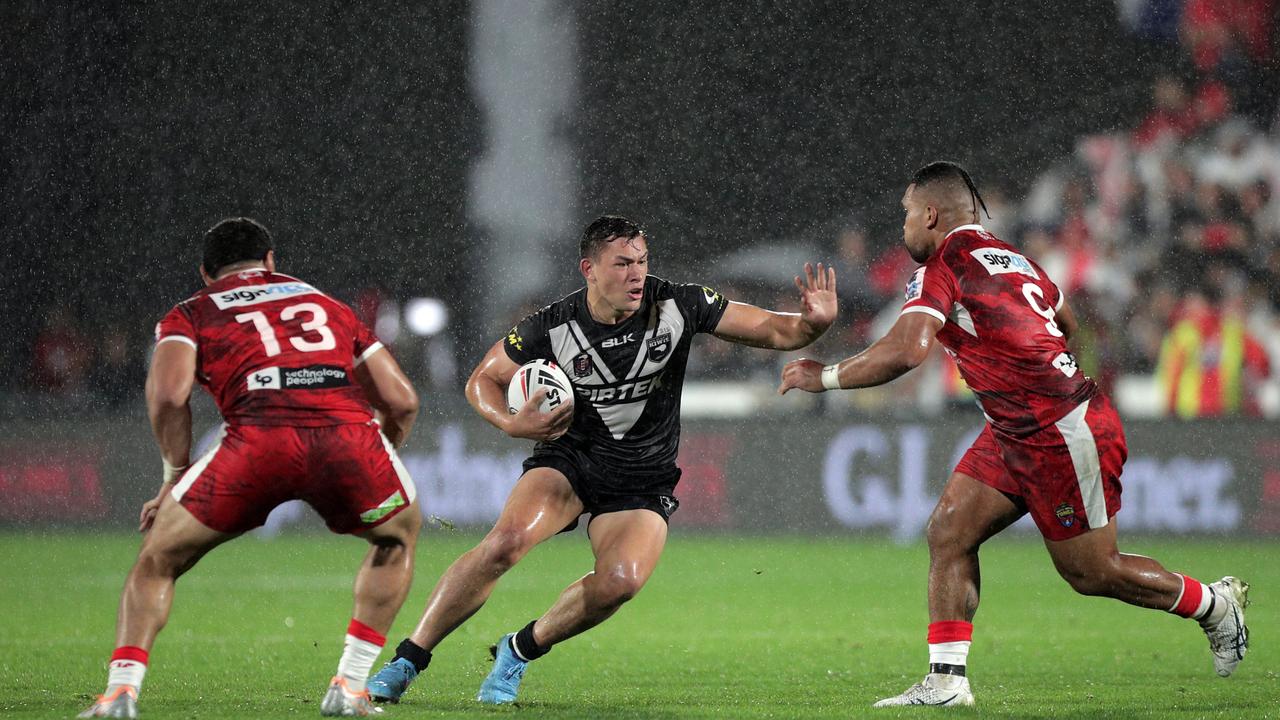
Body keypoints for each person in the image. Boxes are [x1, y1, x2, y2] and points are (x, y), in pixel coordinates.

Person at [779, 162, 1249, 708]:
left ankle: (1214, 606)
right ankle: (947, 683)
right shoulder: (1014, 258)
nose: (903, 225)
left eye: (907, 213)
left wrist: (826, 376)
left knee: (1092, 572)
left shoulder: (943, 264)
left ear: (930, 214)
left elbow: (907, 350)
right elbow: (1066, 325)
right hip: (1017, 424)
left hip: (1059, 429)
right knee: (949, 531)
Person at [367, 214, 837, 705]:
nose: (636, 275)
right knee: (504, 545)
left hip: (642, 477)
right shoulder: (553, 323)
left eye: (642, 261)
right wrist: (509, 423)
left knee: (621, 583)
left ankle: (519, 649)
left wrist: (812, 323)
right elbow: (482, 380)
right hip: (571, 460)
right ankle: (407, 660)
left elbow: (775, 330)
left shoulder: (680, 303)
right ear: (589, 269)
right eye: (622, 265)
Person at [79, 218, 422, 718]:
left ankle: (120, 694)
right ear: (270, 262)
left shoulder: (192, 312)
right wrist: (376, 458)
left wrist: (174, 476)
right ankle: (348, 688)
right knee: (397, 537)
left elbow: (168, 395)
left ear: (206, 273)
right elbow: (402, 401)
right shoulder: (327, 305)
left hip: (257, 442)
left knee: (157, 559)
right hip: (346, 441)